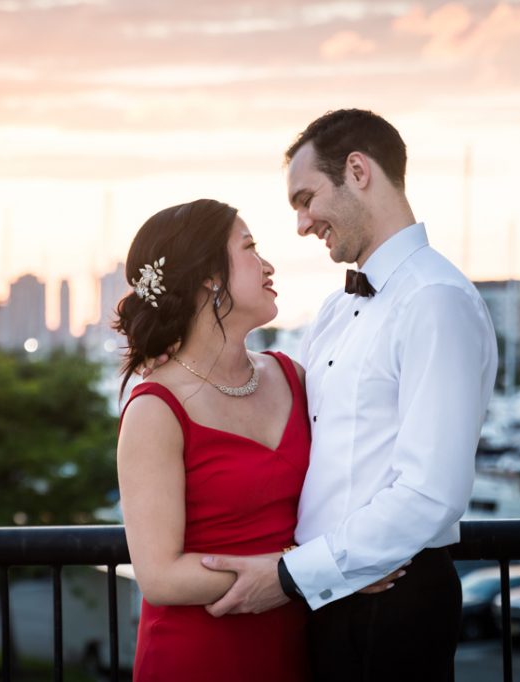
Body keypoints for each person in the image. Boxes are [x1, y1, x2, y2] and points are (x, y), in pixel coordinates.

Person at [198, 109, 499, 681]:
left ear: (358, 171)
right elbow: (275, 399)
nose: (303, 224)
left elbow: (430, 493)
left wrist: (295, 575)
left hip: (392, 603)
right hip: (327, 596)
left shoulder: (436, 300)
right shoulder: (338, 310)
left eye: (307, 199)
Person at [114, 198, 399, 681]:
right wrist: (312, 571)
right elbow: (159, 576)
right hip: (198, 656)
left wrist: (352, 558)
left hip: (298, 649)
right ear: (210, 275)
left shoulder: (293, 376)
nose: (268, 265)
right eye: (250, 248)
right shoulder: (154, 410)